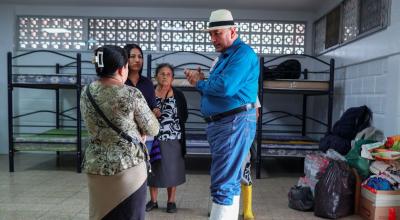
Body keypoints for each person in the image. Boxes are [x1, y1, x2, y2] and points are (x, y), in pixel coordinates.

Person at [185, 9, 259, 220]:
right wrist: (201, 82)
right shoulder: (225, 57)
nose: (213, 39)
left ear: (233, 31)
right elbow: (215, 88)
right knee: (230, 181)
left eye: (217, 33)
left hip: (233, 123)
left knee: (223, 183)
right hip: (225, 123)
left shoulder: (243, 54)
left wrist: (200, 82)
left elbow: (225, 87)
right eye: (210, 34)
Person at [80, 45, 159, 220]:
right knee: (130, 215)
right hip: (128, 167)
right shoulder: (131, 93)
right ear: (122, 68)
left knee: (101, 215)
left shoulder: (85, 92)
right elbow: (153, 128)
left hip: (96, 165)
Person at [145, 63, 188, 213]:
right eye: (162, 73)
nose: (165, 76)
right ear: (156, 76)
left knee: (172, 170)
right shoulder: (149, 94)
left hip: (173, 138)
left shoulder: (179, 95)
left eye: (168, 74)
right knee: (153, 170)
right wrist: (152, 114)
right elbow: (142, 115)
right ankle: (153, 201)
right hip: (153, 138)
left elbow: (184, 116)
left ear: (172, 78)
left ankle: (171, 202)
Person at [123, 43, 160, 149]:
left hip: (145, 136)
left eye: (140, 57)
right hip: (125, 135)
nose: (137, 60)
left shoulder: (147, 82)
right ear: (125, 59)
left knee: (144, 165)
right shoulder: (121, 82)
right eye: (133, 56)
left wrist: (156, 110)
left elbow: (153, 105)